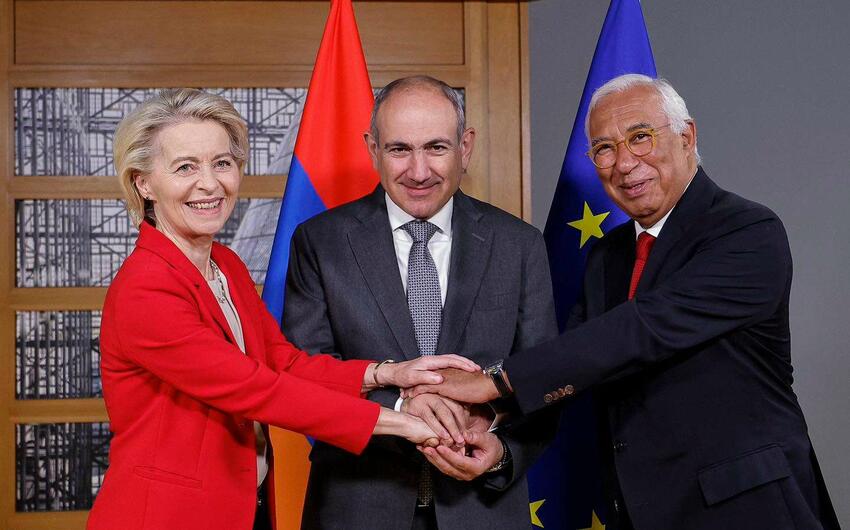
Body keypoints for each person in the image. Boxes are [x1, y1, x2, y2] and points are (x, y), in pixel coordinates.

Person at [407, 74, 840, 530]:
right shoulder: (607, 255)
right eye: (604, 149)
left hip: (747, 509)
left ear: (686, 137)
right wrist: (495, 427)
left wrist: (493, 381)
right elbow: (577, 363)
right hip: (639, 510)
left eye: (640, 137)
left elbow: (642, 329)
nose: (624, 163)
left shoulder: (746, 232)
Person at [87, 88, 482, 530]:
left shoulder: (225, 264)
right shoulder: (146, 287)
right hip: (165, 515)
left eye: (222, 163)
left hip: (242, 505)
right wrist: (401, 420)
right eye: (185, 167)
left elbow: (281, 362)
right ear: (143, 183)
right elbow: (254, 388)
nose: (210, 184)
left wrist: (387, 374)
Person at [282, 76, 558, 530]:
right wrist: (398, 406)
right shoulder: (321, 242)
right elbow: (303, 372)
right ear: (373, 149)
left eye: (436, 147)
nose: (418, 171)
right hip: (357, 507)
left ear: (465, 147)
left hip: (483, 510)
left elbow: (544, 378)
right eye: (399, 149)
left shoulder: (519, 245)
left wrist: (502, 453)